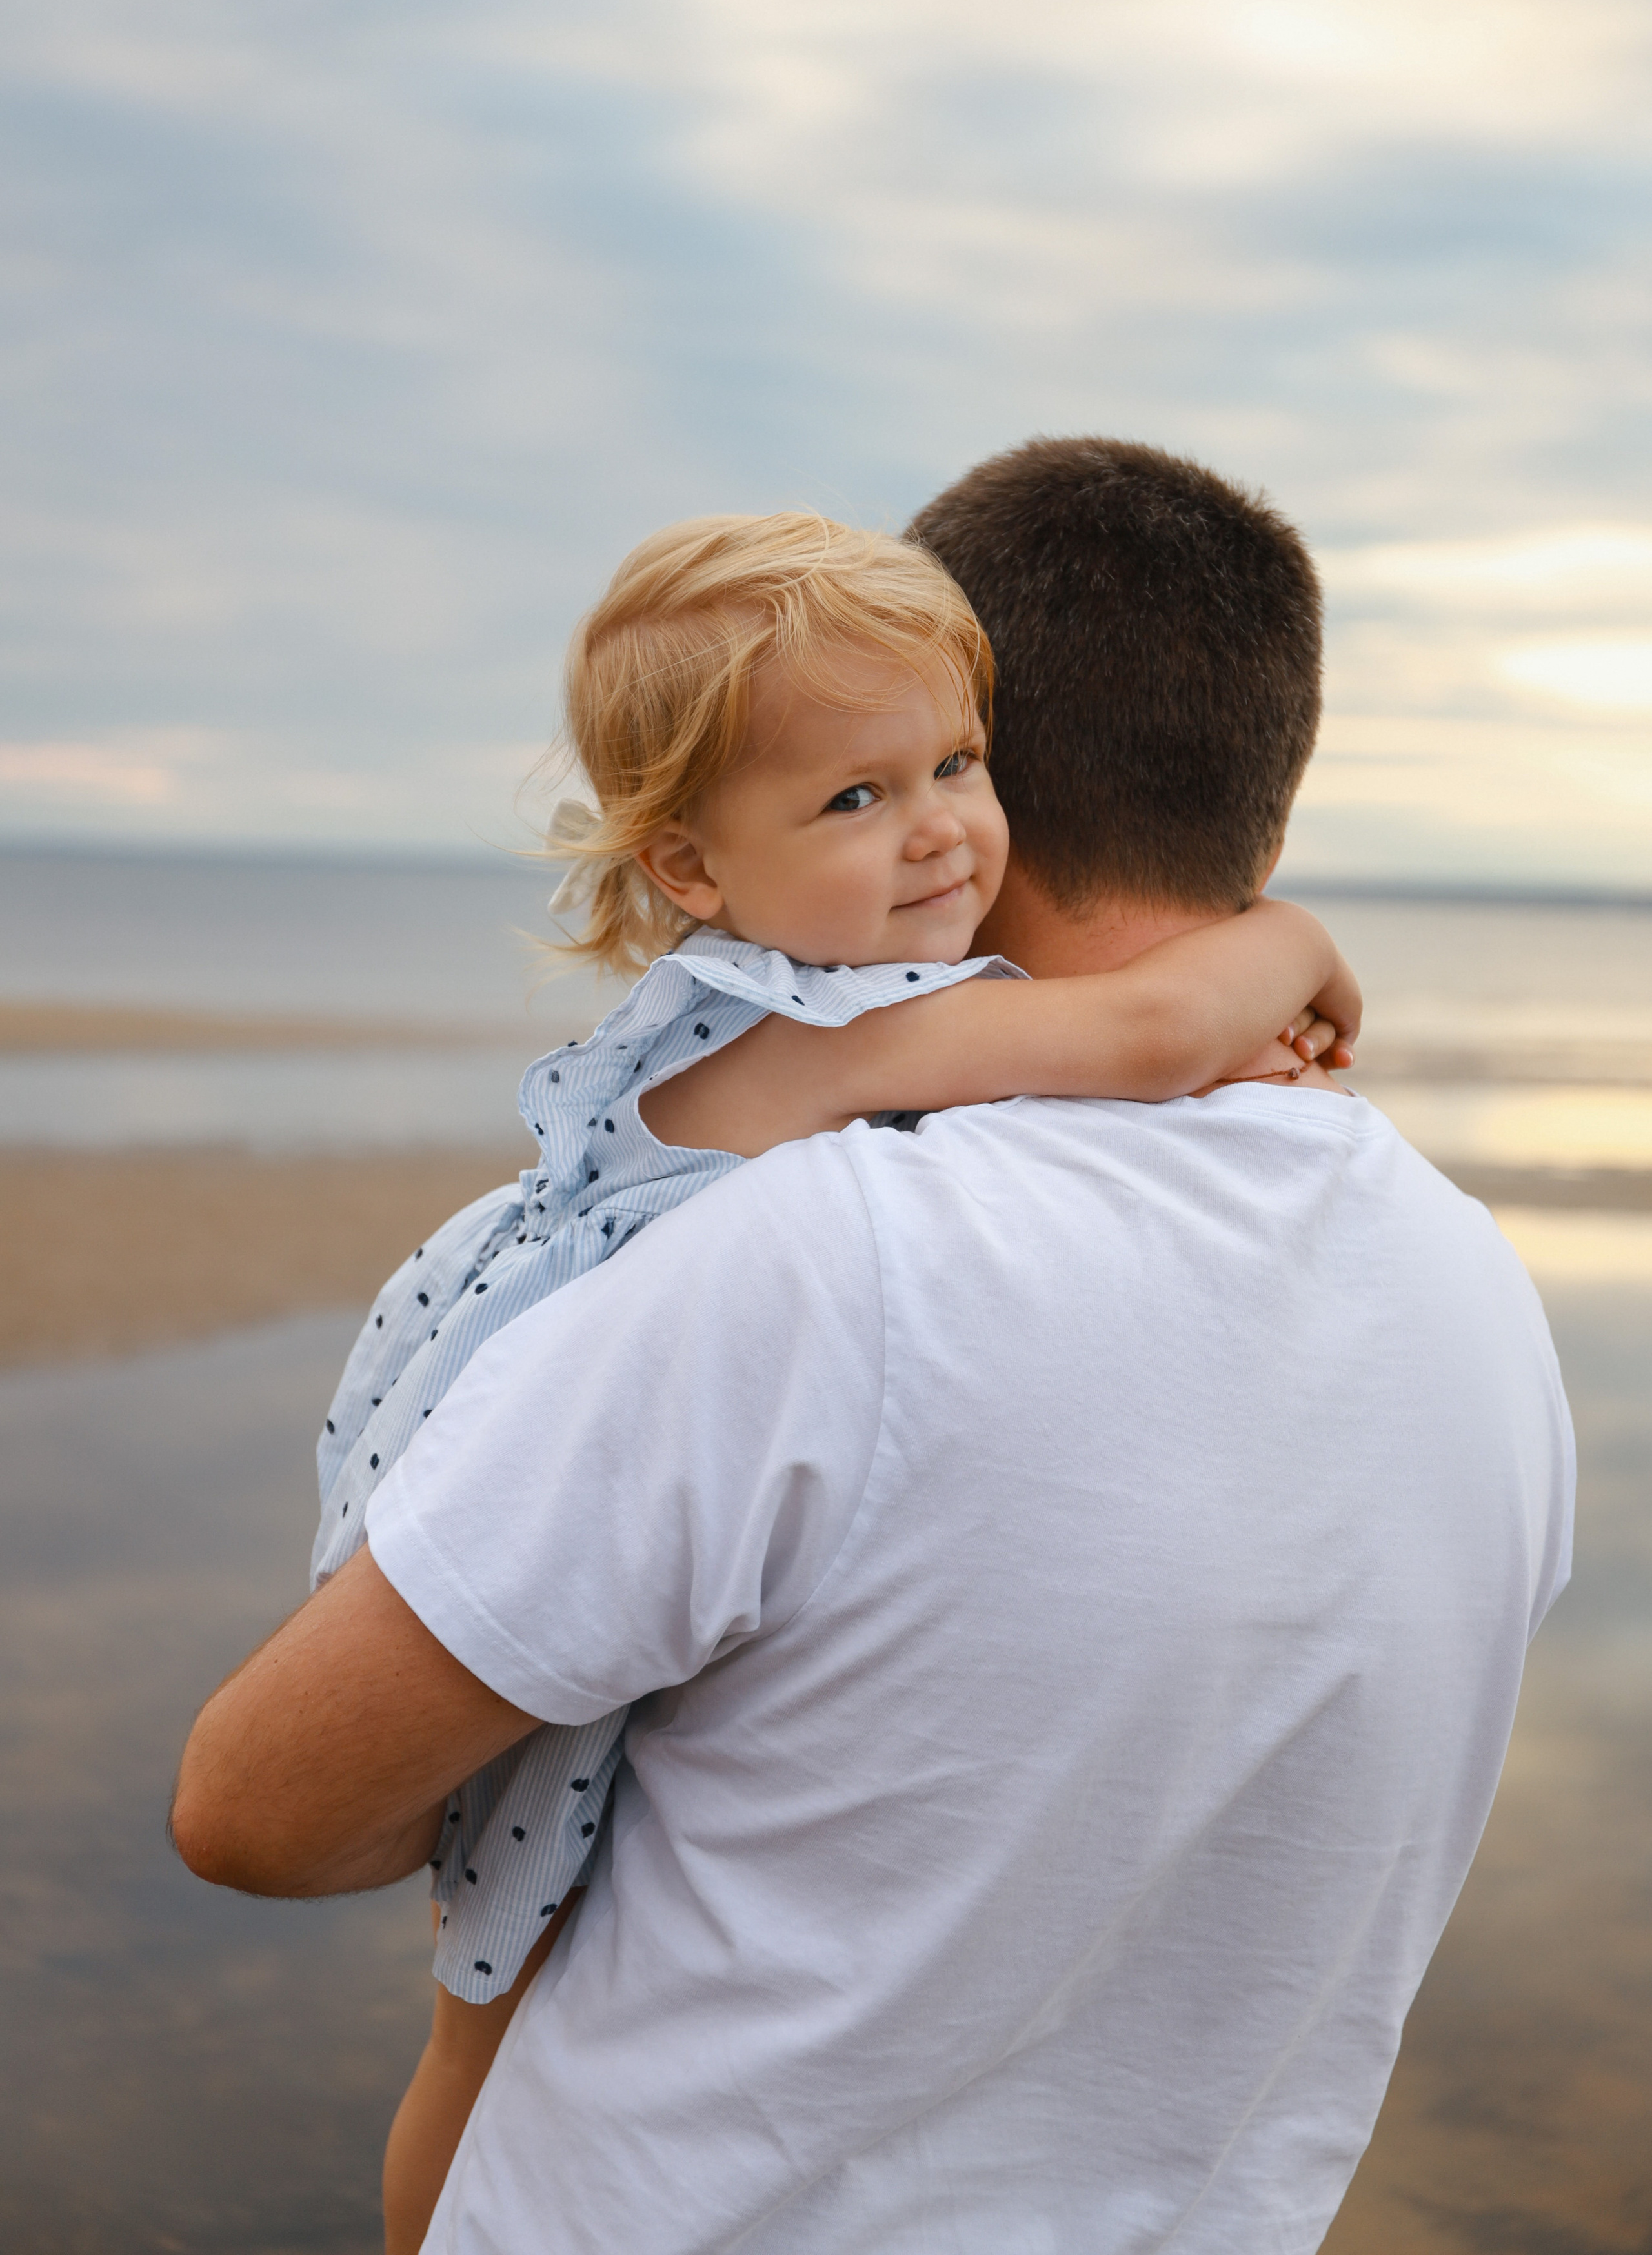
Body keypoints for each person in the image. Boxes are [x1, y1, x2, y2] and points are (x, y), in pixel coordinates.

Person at [173, 438, 1573, 2255]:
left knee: (485, 1988)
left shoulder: (832, 1256)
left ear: (1004, 757)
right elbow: (1150, 1031)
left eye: (953, 769)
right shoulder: (1481, 1305)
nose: (921, 823)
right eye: (863, 789)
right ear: (1270, 802)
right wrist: (1282, 948)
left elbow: (258, 1813)